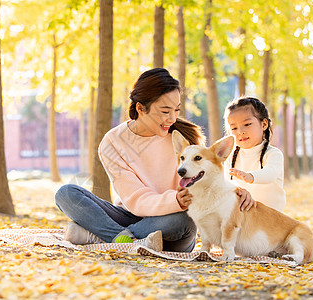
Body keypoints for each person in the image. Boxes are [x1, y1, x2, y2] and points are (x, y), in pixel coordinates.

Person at [55, 68, 255, 252]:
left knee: (182, 222)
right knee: (67, 193)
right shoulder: (112, 142)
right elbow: (135, 199)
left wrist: (237, 191)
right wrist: (173, 198)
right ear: (141, 108)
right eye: (165, 111)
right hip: (131, 215)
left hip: (173, 225)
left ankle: (104, 236)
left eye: (176, 110)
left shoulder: (182, 138)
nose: (172, 118)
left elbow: (211, 177)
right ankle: (128, 240)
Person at [224, 96, 286, 212]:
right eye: (234, 128)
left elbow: (271, 173)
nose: (240, 131)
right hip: (244, 216)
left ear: (264, 125)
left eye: (247, 124)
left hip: (271, 216)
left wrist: (250, 176)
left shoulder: (273, 154)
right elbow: (226, 183)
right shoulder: (231, 157)